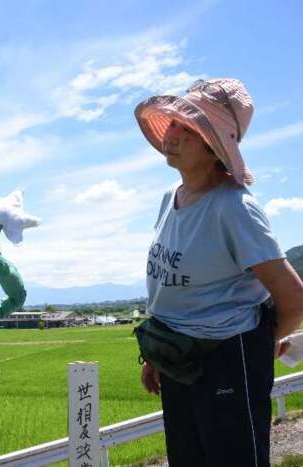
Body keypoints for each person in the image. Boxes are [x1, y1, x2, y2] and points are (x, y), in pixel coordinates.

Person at [133, 78, 303, 467]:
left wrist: (262, 344)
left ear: (213, 147)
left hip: (228, 361)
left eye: (187, 128)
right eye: (172, 123)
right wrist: (157, 357)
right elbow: (171, 291)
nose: (172, 133)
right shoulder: (169, 199)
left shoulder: (234, 207)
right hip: (179, 358)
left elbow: (293, 300)